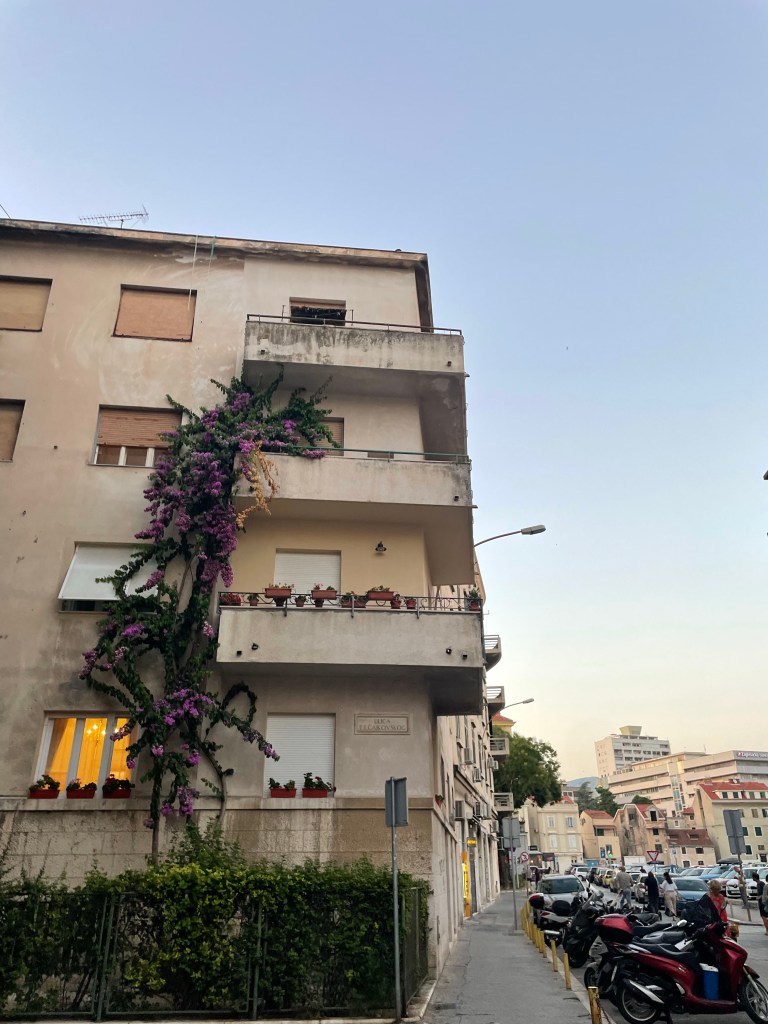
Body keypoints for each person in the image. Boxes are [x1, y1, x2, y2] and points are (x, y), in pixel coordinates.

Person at [754, 872, 768, 936]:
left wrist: (759, 897)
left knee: (764, 916)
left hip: (764, 903)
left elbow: (764, 895)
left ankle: (767, 930)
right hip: (762, 902)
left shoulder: (763, 885)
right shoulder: (759, 884)